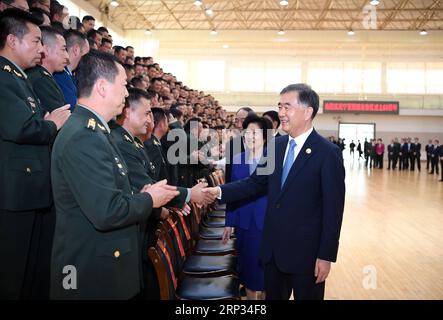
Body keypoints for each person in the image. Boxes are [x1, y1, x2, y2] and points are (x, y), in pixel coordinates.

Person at [50, 51, 180, 299]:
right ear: (101, 87)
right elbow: (107, 211)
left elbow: (111, 193)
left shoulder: (97, 132)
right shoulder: (84, 136)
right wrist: (149, 199)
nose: (126, 94)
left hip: (102, 264)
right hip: (91, 271)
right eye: (122, 86)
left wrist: (141, 196)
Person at [203, 83, 345, 300]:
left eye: (287, 107)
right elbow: (254, 183)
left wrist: (326, 256)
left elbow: (333, 211)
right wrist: (218, 191)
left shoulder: (327, 153)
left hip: (306, 256)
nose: (281, 113)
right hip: (273, 253)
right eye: (280, 107)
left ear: (308, 112)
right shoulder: (276, 147)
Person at [0, 9, 70, 299]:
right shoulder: (4, 77)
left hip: (27, 190)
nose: (41, 49)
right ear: (12, 41)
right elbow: (21, 128)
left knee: (26, 272)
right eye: (36, 41)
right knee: (11, 275)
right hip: (14, 191)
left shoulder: (18, 77)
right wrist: (50, 123)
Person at [222, 114, 271, 300]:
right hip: (244, 223)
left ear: (265, 136)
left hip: (267, 222)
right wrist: (229, 222)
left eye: (254, 133)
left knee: (267, 274)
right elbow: (231, 192)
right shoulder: (236, 159)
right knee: (249, 272)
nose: (249, 136)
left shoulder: (274, 159)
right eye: (246, 132)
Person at [26, 26, 69, 113]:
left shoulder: (42, 76)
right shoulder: (41, 80)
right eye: (63, 49)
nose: (67, 56)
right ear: (46, 50)